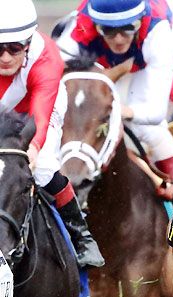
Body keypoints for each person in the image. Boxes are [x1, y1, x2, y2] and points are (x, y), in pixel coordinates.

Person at [55, 0, 173, 201]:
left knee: (149, 130)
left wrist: (118, 111)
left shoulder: (160, 32)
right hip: (99, 64)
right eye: (108, 30)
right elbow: (56, 85)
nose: (119, 39)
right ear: (95, 24)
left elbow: (155, 112)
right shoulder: (78, 28)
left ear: (141, 20)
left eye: (128, 27)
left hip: (142, 63)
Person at [0, 0, 104, 268]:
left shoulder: (46, 58)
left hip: (41, 106)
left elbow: (40, 116)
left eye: (14, 48)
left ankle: (82, 237)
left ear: (28, 43)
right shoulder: (11, 55)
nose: (5, 58)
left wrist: (34, 148)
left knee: (44, 168)